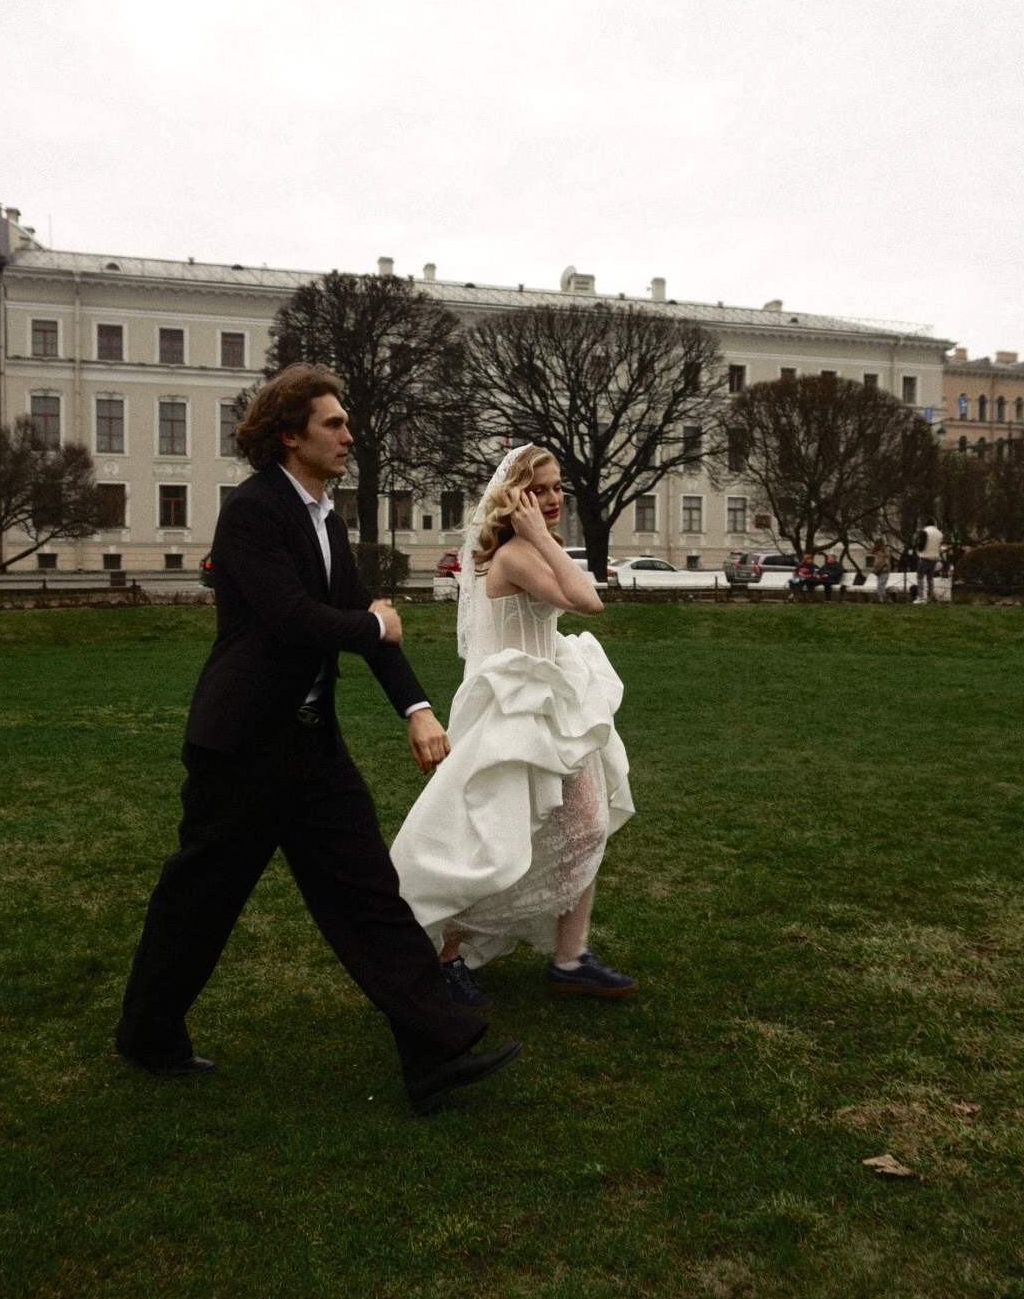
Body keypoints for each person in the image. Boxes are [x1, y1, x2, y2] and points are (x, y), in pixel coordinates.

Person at [115, 364, 521, 1116]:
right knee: (200, 903)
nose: (348, 435)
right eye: (333, 425)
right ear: (289, 434)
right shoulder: (252, 511)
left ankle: (434, 1050)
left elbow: (361, 623)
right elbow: (291, 618)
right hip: (240, 750)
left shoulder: (325, 516)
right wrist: (375, 622)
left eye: (346, 424)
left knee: (370, 895)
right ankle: (147, 1033)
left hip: (310, 749)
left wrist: (418, 708)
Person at [391, 445, 637, 1008]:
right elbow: (588, 601)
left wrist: (543, 536)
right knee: (500, 842)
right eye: (541, 490)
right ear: (516, 496)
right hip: (518, 711)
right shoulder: (515, 555)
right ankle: (448, 955)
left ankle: (570, 957)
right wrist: (546, 537)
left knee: (587, 824)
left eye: (557, 490)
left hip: (553, 702)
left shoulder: (525, 548)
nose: (554, 500)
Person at [915, 518, 944, 604]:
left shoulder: (925, 531)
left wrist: (918, 551)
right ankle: (930, 596)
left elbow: (920, 544)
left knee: (920, 576)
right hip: (935, 557)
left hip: (925, 556)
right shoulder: (940, 533)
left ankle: (921, 597)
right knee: (930, 578)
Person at [872, 538, 892, 603]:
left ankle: (883, 599)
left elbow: (885, 563)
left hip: (883, 571)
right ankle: (881, 599)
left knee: (881, 585)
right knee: (879, 586)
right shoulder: (878, 552)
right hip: (879, 572)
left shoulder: (885, 552)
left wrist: (878, 569)